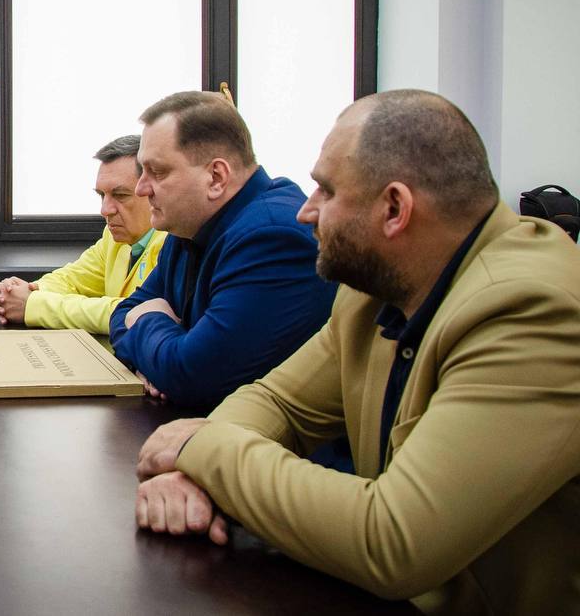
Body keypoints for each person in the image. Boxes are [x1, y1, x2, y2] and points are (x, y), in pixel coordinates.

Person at [133, 90, 580, 613]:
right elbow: (279, 402)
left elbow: (393, 541)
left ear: (394, 209)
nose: (306, 211)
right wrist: (194, 474)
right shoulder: (376, 286)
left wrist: (201, 450)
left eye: (327, 190)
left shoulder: (531, 310)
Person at [109, 91, 336, 407]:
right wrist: (159, 357)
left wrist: (148, 323)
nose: (141, 188)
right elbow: (123, 313)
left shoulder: (273, 237)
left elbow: (193, 377)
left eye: (157, 172)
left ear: (216, 177)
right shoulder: (188, 225)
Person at [0, 135, 166, 336]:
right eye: (102, 195)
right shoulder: (115, 237)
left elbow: (133, 313)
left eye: (120, 195)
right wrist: (19, 293)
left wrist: (33, 305)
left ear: (151, 191)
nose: (105, 210)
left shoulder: (173, 243)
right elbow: (73, 279)